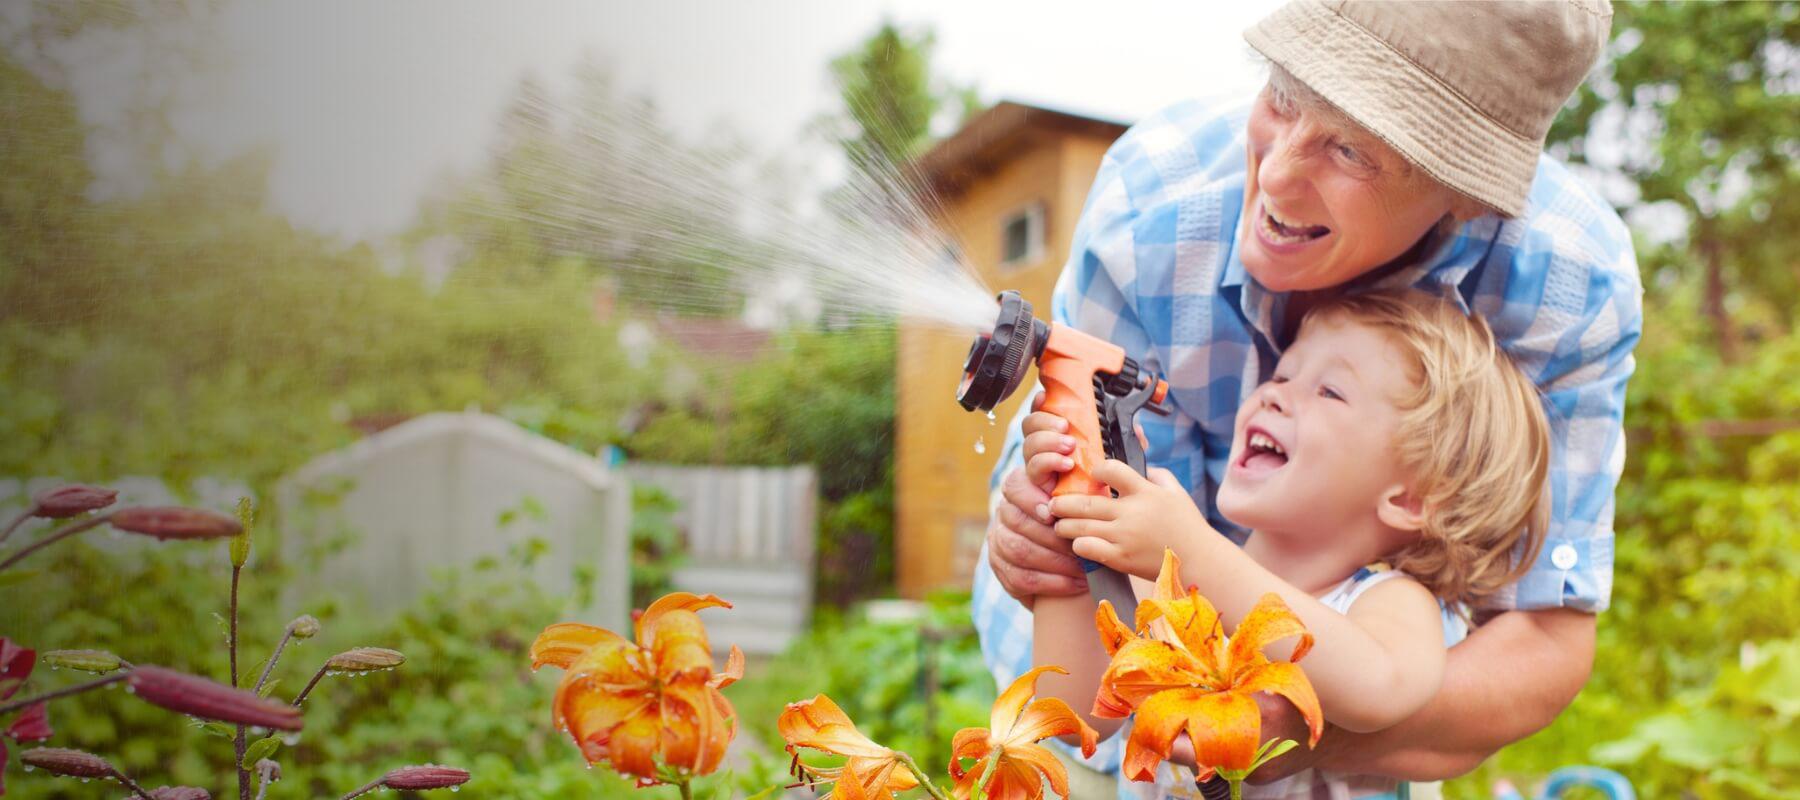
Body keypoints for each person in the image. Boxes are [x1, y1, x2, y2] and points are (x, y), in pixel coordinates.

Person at [973, 0, 1641, 794]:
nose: (1276, 175)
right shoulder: (1152, 209)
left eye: (1352, 148)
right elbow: (1079, 709)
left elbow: (1410, 677)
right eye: (1284, 96)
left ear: (1462, 192)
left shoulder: (1381, 601)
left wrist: (1196, 563)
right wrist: (1061, 552)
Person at [1033, 290, 1552, 799]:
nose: (1272, 393)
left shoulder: (1386, 602)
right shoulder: (1175, 575)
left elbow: (1379, 687)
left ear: (1410, 498)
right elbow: (1072, 718)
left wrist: (1194, 552)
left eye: (1330, 392)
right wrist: (1074, 520)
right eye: (1281, 374)